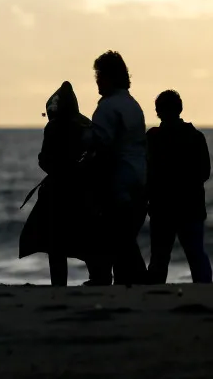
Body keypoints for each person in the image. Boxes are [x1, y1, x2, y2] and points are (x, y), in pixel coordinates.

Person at [18, 81, 96, 286]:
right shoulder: (86, 123)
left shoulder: (54, 127)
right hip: (84, 190)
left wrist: (49, 165)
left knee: (56, 244)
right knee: (87, 237)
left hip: (57, 192)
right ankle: (99, 278)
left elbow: (46, 159)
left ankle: (59, 284)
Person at [81, 51, 148, 286]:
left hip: (118, 179)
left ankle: (137, 280)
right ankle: (127, 282)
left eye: (99, 76)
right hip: (139, 176)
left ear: (110, 77)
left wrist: (83, 136)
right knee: (124, 234)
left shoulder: (108, 107)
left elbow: (101, 143)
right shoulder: (132, 104)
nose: (97, 81)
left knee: (118, 236)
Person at [145, 90, 213, 284]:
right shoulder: (195, 137)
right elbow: (204, 172)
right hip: (189, 206)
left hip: (162, 206)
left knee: (159, 257)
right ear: (180, 109)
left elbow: (146, 171)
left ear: (158, 111)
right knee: (195, 255)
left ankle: (155, 294)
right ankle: (205, 290)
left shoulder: (153, 138)